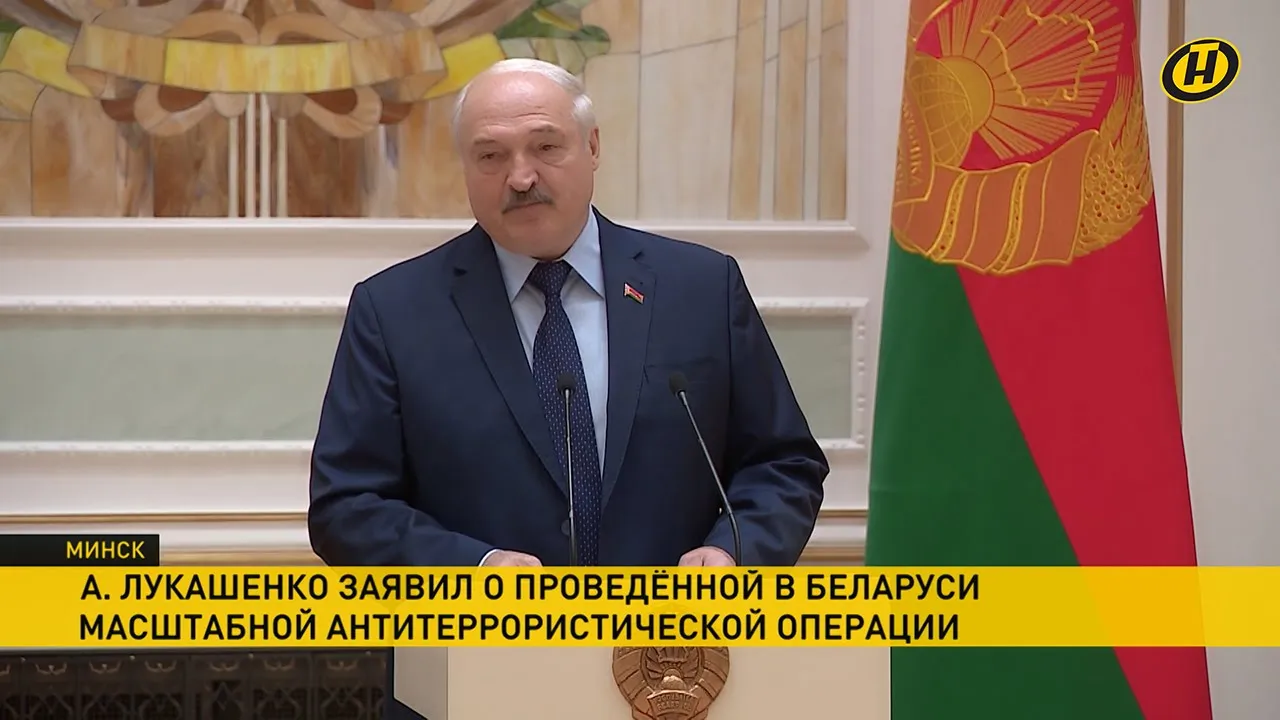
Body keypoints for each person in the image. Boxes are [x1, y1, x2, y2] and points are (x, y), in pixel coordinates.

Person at [307, 58, 828, 717]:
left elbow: (783, 464)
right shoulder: (394, 310)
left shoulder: (700, 288)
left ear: (593, 147)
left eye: (545, 147)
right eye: (490, 156)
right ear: (464, 169)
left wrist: (732, 553)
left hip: (671, 683)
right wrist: (474, 570)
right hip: (475, 687)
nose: (520, 177)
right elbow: (346, 506)